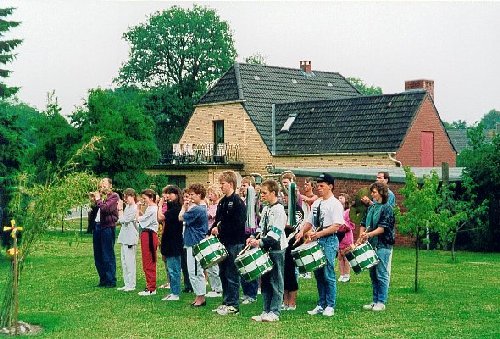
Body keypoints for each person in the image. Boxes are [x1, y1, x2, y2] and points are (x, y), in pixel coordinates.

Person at [295, 173, 345, 317]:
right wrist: (301, 232)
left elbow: (336, 226)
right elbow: (309, 222)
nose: (319, 188)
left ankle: (330, 305)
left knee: (328, 273)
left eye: (322, 186)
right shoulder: (317, 203)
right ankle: (321, 303)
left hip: (329, 240)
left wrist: (318, 234)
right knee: (318, 273)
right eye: (318, 186)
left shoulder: (335, 204)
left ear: (330, 186)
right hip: (317, 240)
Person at [249, 179, 287, 322]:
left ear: (273, 193)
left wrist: (260, 242)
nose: (262, 196)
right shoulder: (265, 209)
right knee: (265, 281)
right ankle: (266, 310)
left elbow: (275, 233)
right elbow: (261, 228)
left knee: (276, 281)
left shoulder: (279, 210)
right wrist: (253, 236)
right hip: (265, 250)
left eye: (264, 193)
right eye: (261, 193)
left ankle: (275, 311)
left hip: (276, 249)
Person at [211, 170, 247, 316]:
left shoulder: (237, 202)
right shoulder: (222, 202)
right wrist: (213, 228)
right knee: (223, 273)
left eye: (223, 183)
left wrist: (221, 228)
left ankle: (233, 304)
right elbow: (217, 220)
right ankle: (225, 301)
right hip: (223, 243)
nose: (221, 186)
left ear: (231, 184)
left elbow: (238, 223)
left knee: (232, 274)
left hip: (234, 242)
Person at [358, 181, 395, 312]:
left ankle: (381, 301)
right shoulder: (371, 208)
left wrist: (368, 235)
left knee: (381, 273)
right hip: (371, 245)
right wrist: (361, 236)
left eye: (374, 192)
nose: (372, 194)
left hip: (383, 245)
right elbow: (363, 223)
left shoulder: (387, 208)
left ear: (381, 193)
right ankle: (374, 301)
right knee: (373, 274)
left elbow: (382, 228)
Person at [179, 183, 208, 307]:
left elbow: (180, 218)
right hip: (191, 241)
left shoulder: (197, 209)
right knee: (193, 271)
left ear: (199, 195)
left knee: (195, 271)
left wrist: (184, 207)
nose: (190, 197)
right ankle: (198, 295)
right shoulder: (199, 208)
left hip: (195, 242)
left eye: (192, 195)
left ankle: (201, 297)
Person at [92, 178, 120, 288]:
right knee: (98, 255)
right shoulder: (101, 196)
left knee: (107, 254)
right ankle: (102, 279)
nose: (102, 185)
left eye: (104, 183)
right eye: (101, 184)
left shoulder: (114, 196)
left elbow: (106, 209)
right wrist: (94, 201)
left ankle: (111, 280)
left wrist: (98, 199)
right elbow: (97, 210)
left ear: (110, 185)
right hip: (98, 226)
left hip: (107, 227)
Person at [158, 185, 184, 301]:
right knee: (170, 267)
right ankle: (173, 291)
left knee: (174, 269)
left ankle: (175, 293)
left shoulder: (177, 208)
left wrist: (159, 205)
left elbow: (160, 217)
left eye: (170, 193)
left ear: (176, 194)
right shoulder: (171, 206)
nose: (167, 196)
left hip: (174, 240)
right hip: (169, 239)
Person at [239, 176, 259, 305]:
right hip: (242, 235)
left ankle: (252, 293)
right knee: (242, 265)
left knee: (250, 265)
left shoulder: (255, 201)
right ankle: (246, 292)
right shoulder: (243, 201)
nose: (242, 188)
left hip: (252, 235)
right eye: (242, 185)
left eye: (245, 185)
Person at [137, 189, 159, 296]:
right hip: (147, 234)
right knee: (146, 261)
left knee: (149, 261)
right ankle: (149, 285)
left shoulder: (153, 209)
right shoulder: (150, 208)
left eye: (145, 198)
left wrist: (137, 210)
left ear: (151, 198)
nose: (143, 200)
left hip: (149, 235)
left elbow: (141, 220)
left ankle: (151, 287)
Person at [116, 188, 139, 292]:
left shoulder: (134, 208)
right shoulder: (128, 207)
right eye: (124, 197)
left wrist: (120, 209)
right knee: (124, 261)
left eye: (127, 197)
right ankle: (127, 283)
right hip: (124, 237)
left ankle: (132, 284)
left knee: (130, 261)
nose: (126, 199)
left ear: (133, 196)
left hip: (130, 237)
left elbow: (124, 220)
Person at [205, 185, 223, 298]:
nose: (209, 196)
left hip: (215, 235)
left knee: (215, 263)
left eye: (211, 193)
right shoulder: (210, 206)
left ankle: (219, 288)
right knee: (209, 263)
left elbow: (211, 216)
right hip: (208, 234)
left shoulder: (218, 206)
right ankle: (213, 287)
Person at [337, 193, 355, 283]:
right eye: (338, 198)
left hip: (346, 236)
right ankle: (342, 274)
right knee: (340, 256)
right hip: (339, 236)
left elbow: (351, 224)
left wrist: (344, 225)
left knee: (346, 256)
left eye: (341, 198)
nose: (339, 199)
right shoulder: (338, 211)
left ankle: (347, 275)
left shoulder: (349, 211)